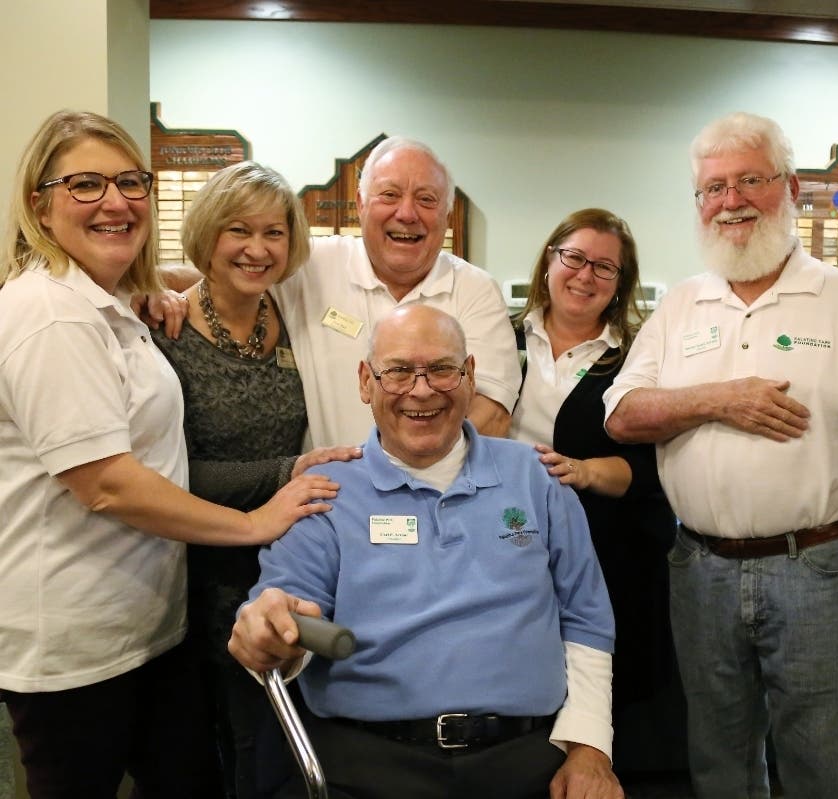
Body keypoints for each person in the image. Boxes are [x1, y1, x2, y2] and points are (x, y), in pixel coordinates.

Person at [0, 110, 339, 799]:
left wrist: (167, 287)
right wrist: (255, 517)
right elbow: (108, 484)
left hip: (149, 618)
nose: (115, 201)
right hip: (75, 634)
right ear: (40, 201)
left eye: (130, 182)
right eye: (86, 185)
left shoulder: (117, 304)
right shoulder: (52, 315)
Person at [603, 112, 838, 799]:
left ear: (791, 187)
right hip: (701, 570)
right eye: (712, 188)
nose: (730, 200)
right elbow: (622, 413)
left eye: (749, 179)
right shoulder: (681, 307)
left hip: (820, 569)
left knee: (821, 764)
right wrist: (719, 398)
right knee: (718, 763)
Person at [229, 305, 624, 799]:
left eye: (441, 369)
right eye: (397, 371)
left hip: (527, 761)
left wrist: (589, 750)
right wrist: (272, 629)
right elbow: (282, 608)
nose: (421, 390)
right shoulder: (326, 492)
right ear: (365, 382)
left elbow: (586, 621)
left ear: (470, 376)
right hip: (363, 765)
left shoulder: (537, 477)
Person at [152, 161, 359, 798]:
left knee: (280, 738)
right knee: (226, 742)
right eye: (238, 231)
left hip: (287, 553)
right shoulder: (166, 332)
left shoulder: (292, 311)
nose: (258, 249)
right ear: (208, 233)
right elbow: (168, 473)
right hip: (201, 565)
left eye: (274, 233)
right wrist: (285, 473)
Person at [510, 209, 674, 725]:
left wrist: (582, 472)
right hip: (507, 547)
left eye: (605, 268)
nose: (585, 275)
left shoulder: (641, 356)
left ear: (620, 285)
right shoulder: (499, 338)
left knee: (594, 706)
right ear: (548, 263)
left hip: (606, 554)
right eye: (574, 258)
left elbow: (649, 471)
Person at [265, 136, 521, 445]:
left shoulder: (475, 290)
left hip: (442, 490)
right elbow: (229, 271)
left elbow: (492, 414)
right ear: (360, 204)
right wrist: (187, 302)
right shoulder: (310, 266)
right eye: (389, 195)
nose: (407, 213)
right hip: (332, 488)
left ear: (447, 215)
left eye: (426, 199)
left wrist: (403, 476)